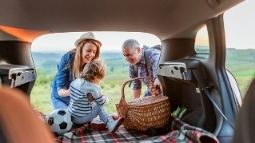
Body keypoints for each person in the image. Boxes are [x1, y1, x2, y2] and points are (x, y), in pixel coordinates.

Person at [67, 60, 124, 133]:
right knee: (99, 107)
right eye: (100, 79)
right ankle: (110, 124)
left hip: (71, 115)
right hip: (80, 119)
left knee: (94, 104)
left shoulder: (75, 81)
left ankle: (104, 119)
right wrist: (106, 98)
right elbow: (102, 102)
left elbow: (79, 97)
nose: (99, 81)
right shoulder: (93, 88)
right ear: (96, 76)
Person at [51, 32, 102, 109]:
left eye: (94, 52)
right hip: (60, 97)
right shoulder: (67, 58)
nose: (91, 55)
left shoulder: (92, 64)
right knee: (66, 117)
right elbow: (60, 91)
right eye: (88, 51)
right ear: (80, 49)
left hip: (78, 100)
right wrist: (73, 92)